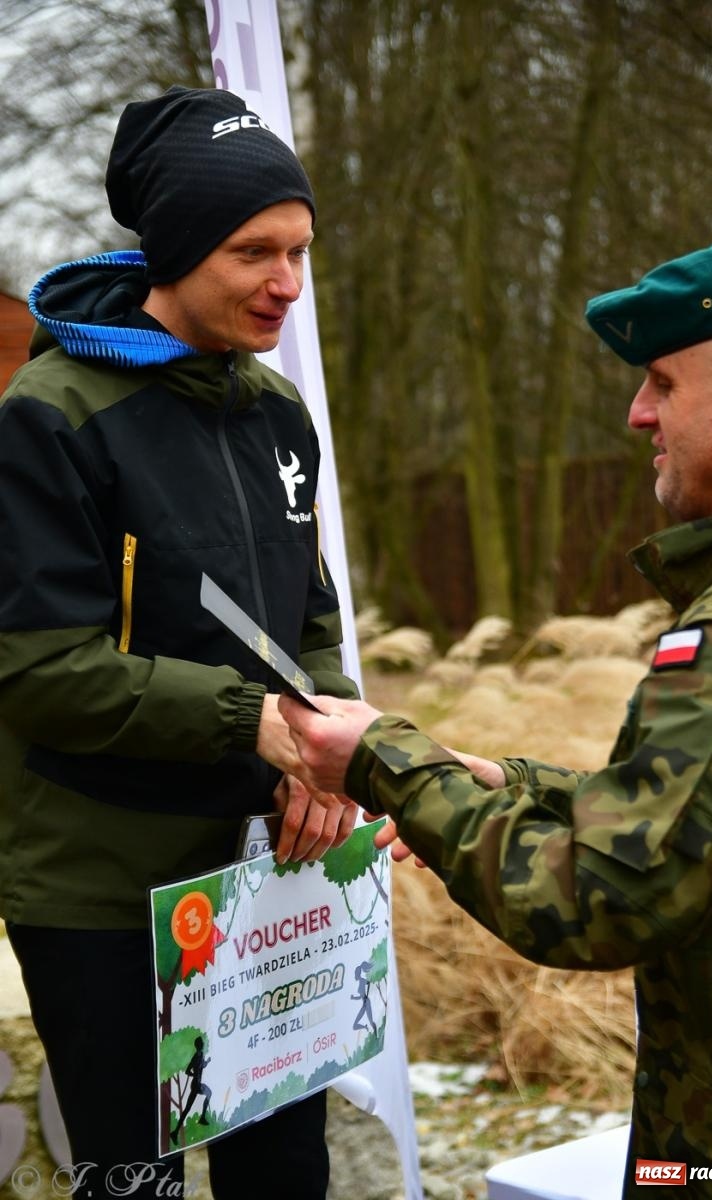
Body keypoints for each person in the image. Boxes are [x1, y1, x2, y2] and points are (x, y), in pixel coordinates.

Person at [280, 245, 712, 1197]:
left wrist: (386, 762)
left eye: (662, 383)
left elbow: (604, 897)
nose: (638, 413)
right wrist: (513, 785)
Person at [0, 85, 359, 1199]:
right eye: (255, 253)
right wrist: (255, 722)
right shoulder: (51, 414)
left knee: (286, 1171)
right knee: (130, 1180)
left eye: (299, 252)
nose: (287, 283)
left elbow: (309, 620)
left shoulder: (278, 412)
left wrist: (321, 748)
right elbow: (38, 671)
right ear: (175, 249)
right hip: (98, 888)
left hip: (264, 874)